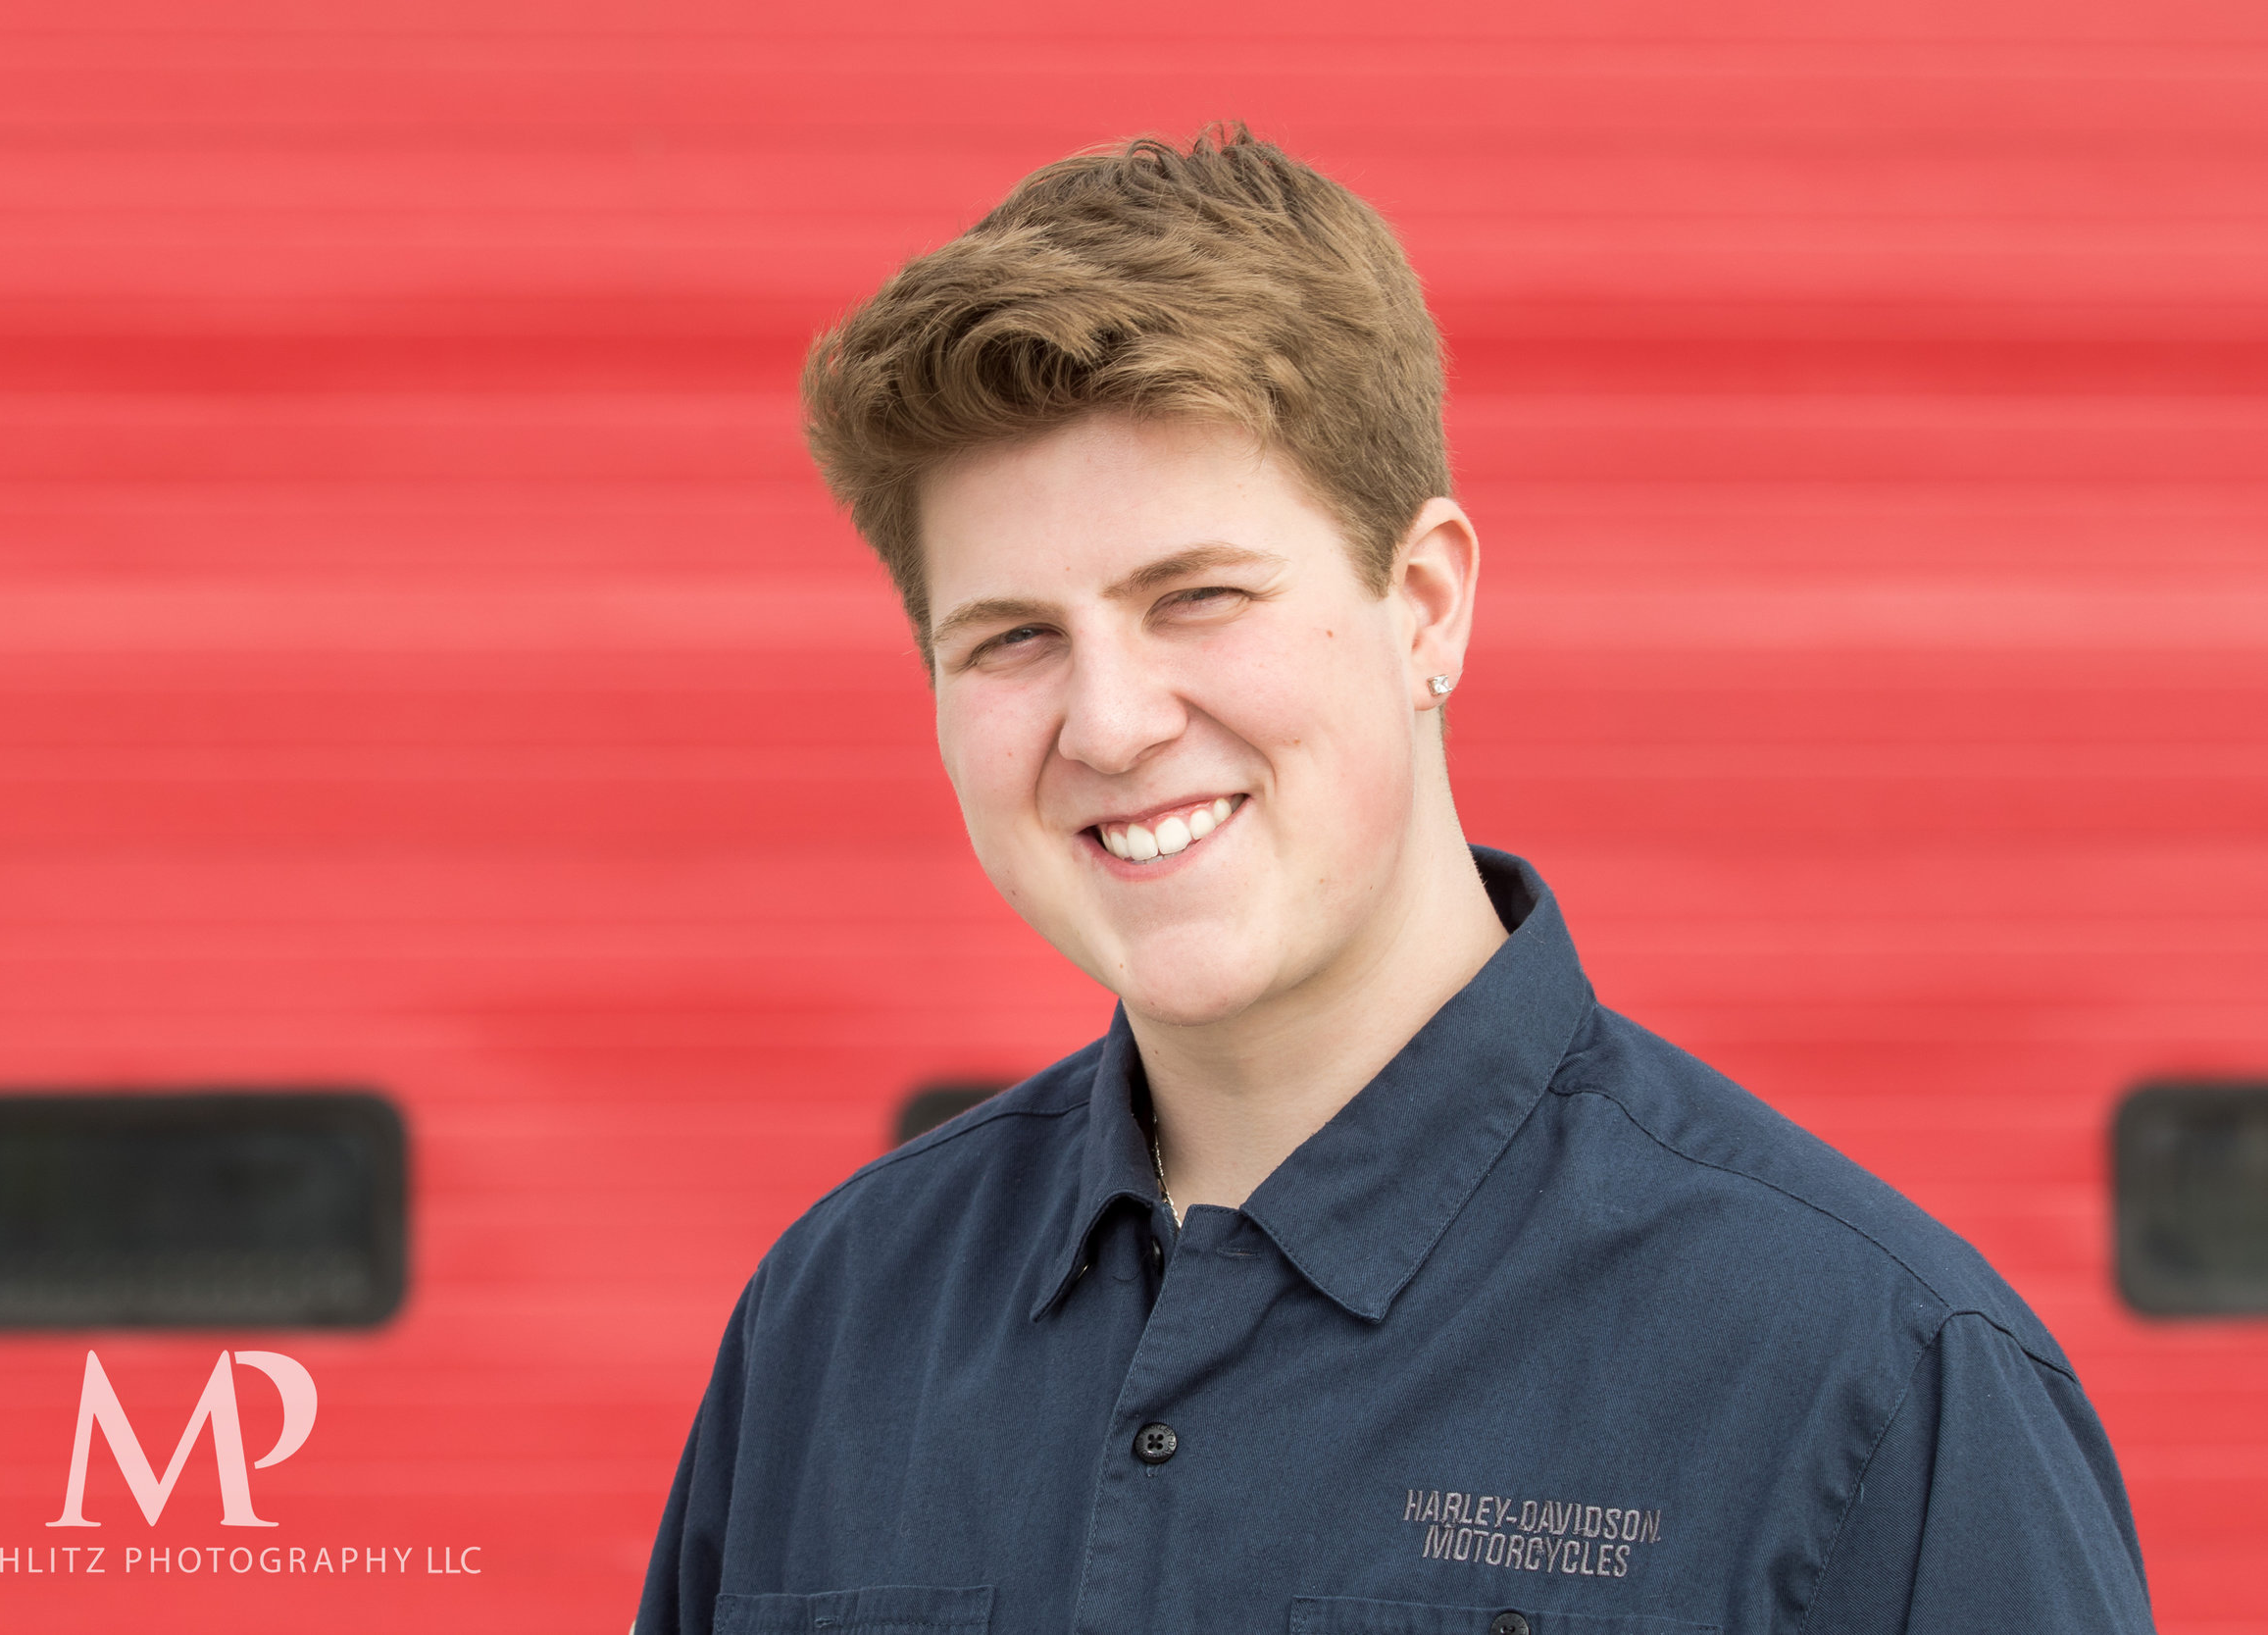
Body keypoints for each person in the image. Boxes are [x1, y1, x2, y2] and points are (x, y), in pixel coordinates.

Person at [637, 128, 2153, 1635]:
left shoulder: (1875, 1376)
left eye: (1200, 598)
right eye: (1012, 638)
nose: (1108, 723)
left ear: (1424, 605)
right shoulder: (833, 1324)